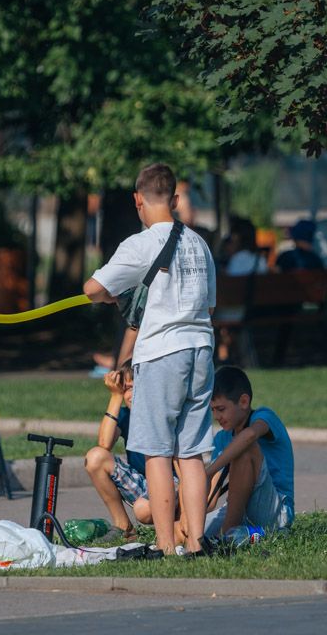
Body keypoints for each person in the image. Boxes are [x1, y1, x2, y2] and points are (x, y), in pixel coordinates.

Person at [84, 162, 217, 557]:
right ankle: (195, 542)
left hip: (162, 353)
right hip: (201, 349)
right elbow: (209, 307)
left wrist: (109, 295)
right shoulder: (199, 243)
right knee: (190, 453)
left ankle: (163, 545)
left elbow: (93, 288)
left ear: (137, 199)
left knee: (158, 451)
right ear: (174, 199)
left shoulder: (140, 243)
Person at [204, 365, 294, 546]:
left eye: (221, 409)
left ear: (244, 402)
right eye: (212, 410)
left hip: (275, 512)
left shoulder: (264, 417)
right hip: (239, 511)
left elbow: (249, 436)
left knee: (243, 450)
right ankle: (248, 535)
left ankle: (225, 539)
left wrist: (209, 471)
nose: (216, 416)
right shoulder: (222, 437)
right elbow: (211, 497)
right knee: (191, 533)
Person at [83, 363, 152, 540]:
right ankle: (124, 526)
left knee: (143, 511)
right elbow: (104, 444)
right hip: (142, 482)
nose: (132, 395)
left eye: (138, 388)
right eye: (127, 389)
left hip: (171, 482)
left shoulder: (160, 412)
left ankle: (175, 525)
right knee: (95, 457)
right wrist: (115, 397)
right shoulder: (125, 414)